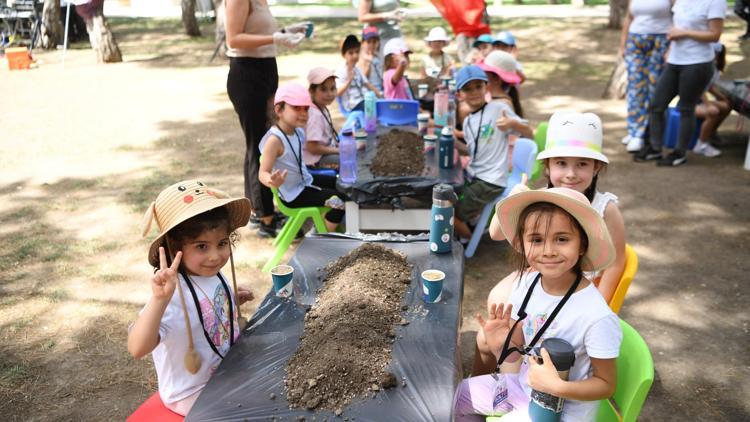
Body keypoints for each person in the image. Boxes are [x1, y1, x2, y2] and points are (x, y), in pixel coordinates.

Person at [454, 187, 622, 421]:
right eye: (536, 239)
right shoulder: (527, 282)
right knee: (454, 398)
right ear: (522, 243)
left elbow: (606, 385)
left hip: (561, 412)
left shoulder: (596, 316)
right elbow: (519, 352)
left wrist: (558, 387)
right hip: (523, 387)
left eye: (562, 239)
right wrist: (502, 345)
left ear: (582, 244)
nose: (548, 251)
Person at [484, 112, 627, 343]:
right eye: (561, 163)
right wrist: (511, 200)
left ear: (597, 167)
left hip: (580, 283)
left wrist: (603, 303)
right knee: (496, 305)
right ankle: (499, 370)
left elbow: (617, 261)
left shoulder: (606, 208)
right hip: (542, 272)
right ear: (547, 166)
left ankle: (518, 363)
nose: (571, 174)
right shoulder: (539, 201)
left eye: (582, 164)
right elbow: (496, 234)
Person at [128, 180, 255, 416]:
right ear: (176, 247)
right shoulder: (171, 296)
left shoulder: (213, 275)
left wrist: (230, 300)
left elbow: (204, 312)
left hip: (225, 370)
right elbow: (137, 348)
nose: (215, 256)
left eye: (222, 243)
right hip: (190, 392)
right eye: (201, 246)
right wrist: (158, 301)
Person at [225, 0, 308, 237]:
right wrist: (276, 38)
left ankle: (256, 208)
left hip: (265, 68)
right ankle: (265, 218)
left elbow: (259, 33)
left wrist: (287, 32)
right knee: (260, 145)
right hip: (248, 74)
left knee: (261, 142)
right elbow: (234, 39)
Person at [635, 0, 726, 167]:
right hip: (675, 61)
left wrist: (684, 33)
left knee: (685, 108)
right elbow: (676, 27)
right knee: (656, 105)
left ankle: (679, 153)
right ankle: (655, 148)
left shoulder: (715, 2)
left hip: (698, 63)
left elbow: (715, 35)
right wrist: (670, 50)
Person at [259, 83, 346, 232]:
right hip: (294, 195)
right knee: (340, 201)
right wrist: (271, 181)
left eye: (306, 108)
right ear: (279, 110)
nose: (303, 113)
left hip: (304, 182)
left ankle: (326, 225)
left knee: (343, 184)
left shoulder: (297, 132)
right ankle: (321, 237)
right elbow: (262, 172)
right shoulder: (274, 140)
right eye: (296, 108)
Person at [452, 65, 523, 241]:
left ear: (487, 88)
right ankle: (471, 225)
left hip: (491, 180)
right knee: (447, 191)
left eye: (478, 86)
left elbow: (527, 131)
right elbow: (470, 150)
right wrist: (452, 141)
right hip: (476, 174)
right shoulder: (468, 121)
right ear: (459, 94)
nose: (474, 92)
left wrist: (513, 125)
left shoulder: (498, 109)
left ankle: (469, 241)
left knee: (448, 214)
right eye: (468, 89)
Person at [618, 0, 672, 153]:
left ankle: (645, 132)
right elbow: (629, 18)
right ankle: (635, 132)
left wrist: (673, 46)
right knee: (635, 88)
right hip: (635, 41)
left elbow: (678, 18)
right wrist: (623, 45)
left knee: (653, 89)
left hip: (660, 41)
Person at [693, 43, 731, 157]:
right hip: (689, 104)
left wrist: (723, 98)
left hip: (699, 103)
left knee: (727, 106)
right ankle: (701, 145)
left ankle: (711, 134)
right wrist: (708, 104)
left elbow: (709, 87)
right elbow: (699, 89)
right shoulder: (700, 67)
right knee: (713, 112)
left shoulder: (713, 68)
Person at [336, 34, 383, 113]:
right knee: (373, 108)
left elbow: (367, 84)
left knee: (380, 104)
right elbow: (337, 93)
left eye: (357, 52)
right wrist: (349, 80)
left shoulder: (357, 69)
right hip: (353, 105)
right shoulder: (341, 71)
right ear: (344, 55)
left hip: (364, 100)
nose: (355, 55)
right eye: (351, 53)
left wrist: (381, 96)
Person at [358, 26, 384, 93]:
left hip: (380, 89)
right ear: (362, 43)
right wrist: (368, 63)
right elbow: (363, 80)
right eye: (369, 42)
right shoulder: (362, 59)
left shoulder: (377, 57)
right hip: (369, 93)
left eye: (374, 42)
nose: (372, 45)